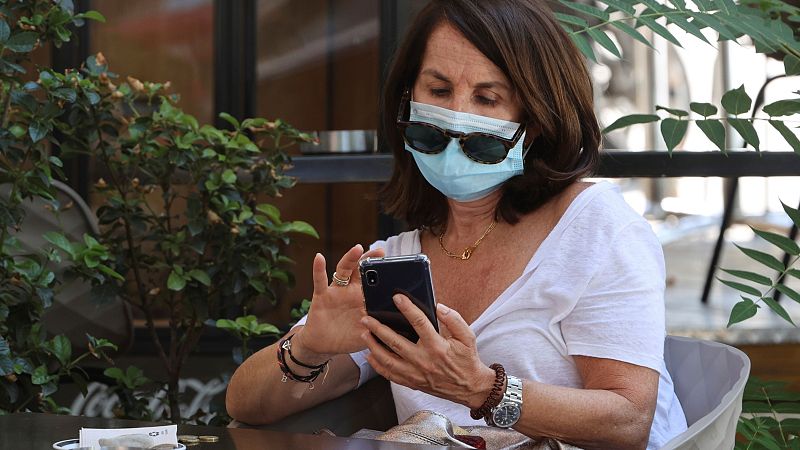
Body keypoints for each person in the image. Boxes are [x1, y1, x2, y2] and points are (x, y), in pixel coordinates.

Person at [226, 1, 688, 448]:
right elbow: (244, 404)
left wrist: (482, 390)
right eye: (439, 90)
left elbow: (629, 421)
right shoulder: (397, 261)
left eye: (487, 98)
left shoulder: (596, 227)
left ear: (536, 120)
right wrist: (309, 348)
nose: (457, 116)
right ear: (408, 98)